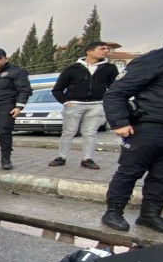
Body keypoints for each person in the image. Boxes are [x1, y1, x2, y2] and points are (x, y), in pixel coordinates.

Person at [100, 42, 163, 233]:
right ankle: (113, 212)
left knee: (162, 177)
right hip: (147, 127)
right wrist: (119, 122)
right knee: (130, 172)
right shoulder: (154, 60)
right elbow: (116, 93)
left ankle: (150, 215)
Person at [49, 41, 119, 169]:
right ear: (89, 52)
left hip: (96, 105)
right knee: (68, 132)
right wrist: (65, 102)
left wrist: (106, 102)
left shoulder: (109, 68)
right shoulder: (72, 69)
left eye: (106, 49)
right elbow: (57, 89)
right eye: (102, 48)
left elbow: (114, 88)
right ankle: (61, 157)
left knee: (90, 133)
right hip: (74, 104)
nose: (106, 50)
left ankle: (87, 159)